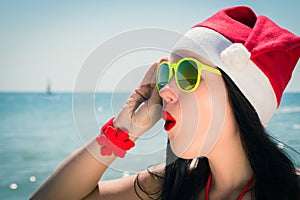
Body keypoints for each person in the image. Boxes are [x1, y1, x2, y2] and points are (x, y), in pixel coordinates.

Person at [31, 6, 300, 200]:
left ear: (241, 95)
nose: (166, 91)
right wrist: (123, 130)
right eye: (167, 74)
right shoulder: (170, 186)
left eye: (186, 73)